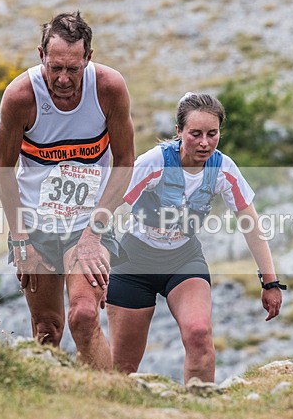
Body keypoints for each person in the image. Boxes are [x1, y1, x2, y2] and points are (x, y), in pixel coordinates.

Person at [105, 92, 284, 383]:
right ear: (179, 131)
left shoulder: (223, 168)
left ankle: (200, 405)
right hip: (134, 260)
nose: (204, 143)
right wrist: (95, 256)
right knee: (123, 365)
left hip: (183, 258)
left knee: (199, 334)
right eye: (195, 134)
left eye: (212, 134)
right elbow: (106, 206)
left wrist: (270, 281)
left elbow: (251, 224)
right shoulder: (155, 162)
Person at [0, 11, 134, 370]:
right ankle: (53, 399)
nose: (63, 78)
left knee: (84, 317)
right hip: (35, 226)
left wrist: (93, 235)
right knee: (47, 328)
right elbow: (4, 168)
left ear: (88, 57)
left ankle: (106, 397)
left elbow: (125, 162)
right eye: (55, 67)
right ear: (41, 55)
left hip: (89, 223)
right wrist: (20, 240)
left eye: (73, 69)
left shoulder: (108, 88)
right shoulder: (20, 96)